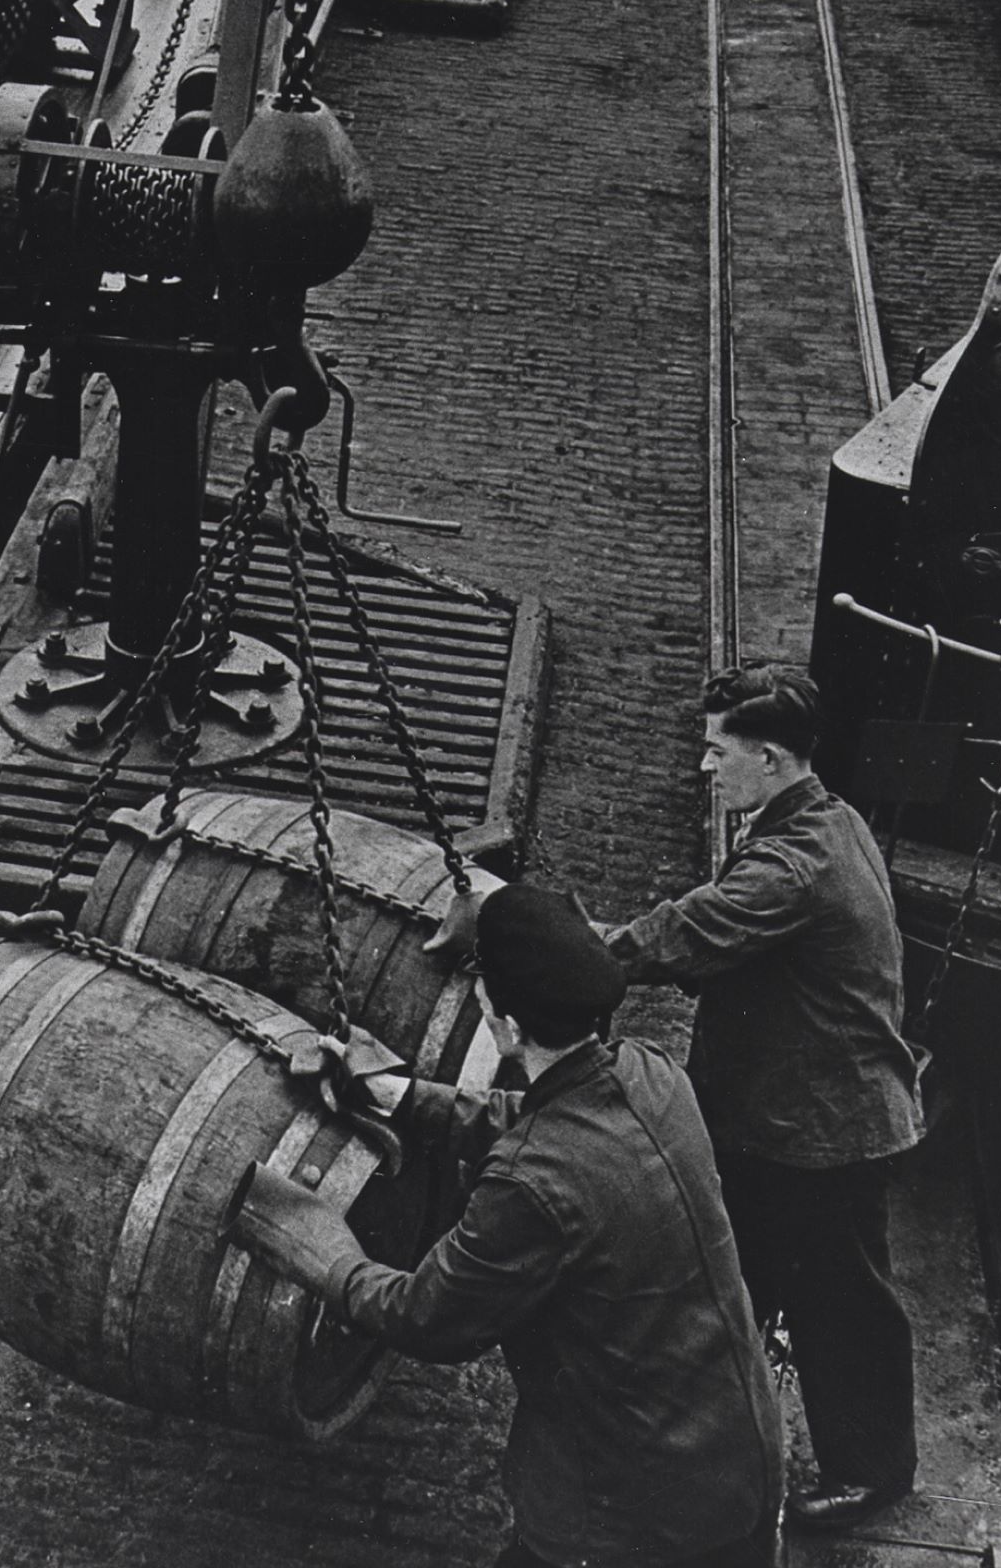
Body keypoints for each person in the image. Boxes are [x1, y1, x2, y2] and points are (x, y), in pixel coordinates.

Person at [237, 885, 783, 1568]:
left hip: (630, 1510)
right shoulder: (653, 1074)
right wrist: (396, 1093)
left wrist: (317, 1249)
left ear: (506, 1025)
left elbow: (427, 1317)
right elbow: (536, 1118)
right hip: (738, 1454)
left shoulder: (528, 1186)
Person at [603, 660, 923, 1532]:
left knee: (841, 1302)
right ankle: (713, 1436)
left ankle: (872, 1473)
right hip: (789, 1112)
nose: (706, 769)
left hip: (823, 1129)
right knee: (746, 1275)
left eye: (719, 752)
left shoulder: (795, 863)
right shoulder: (825, 815)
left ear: (773, 758)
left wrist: (554, 945)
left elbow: (684, 933)